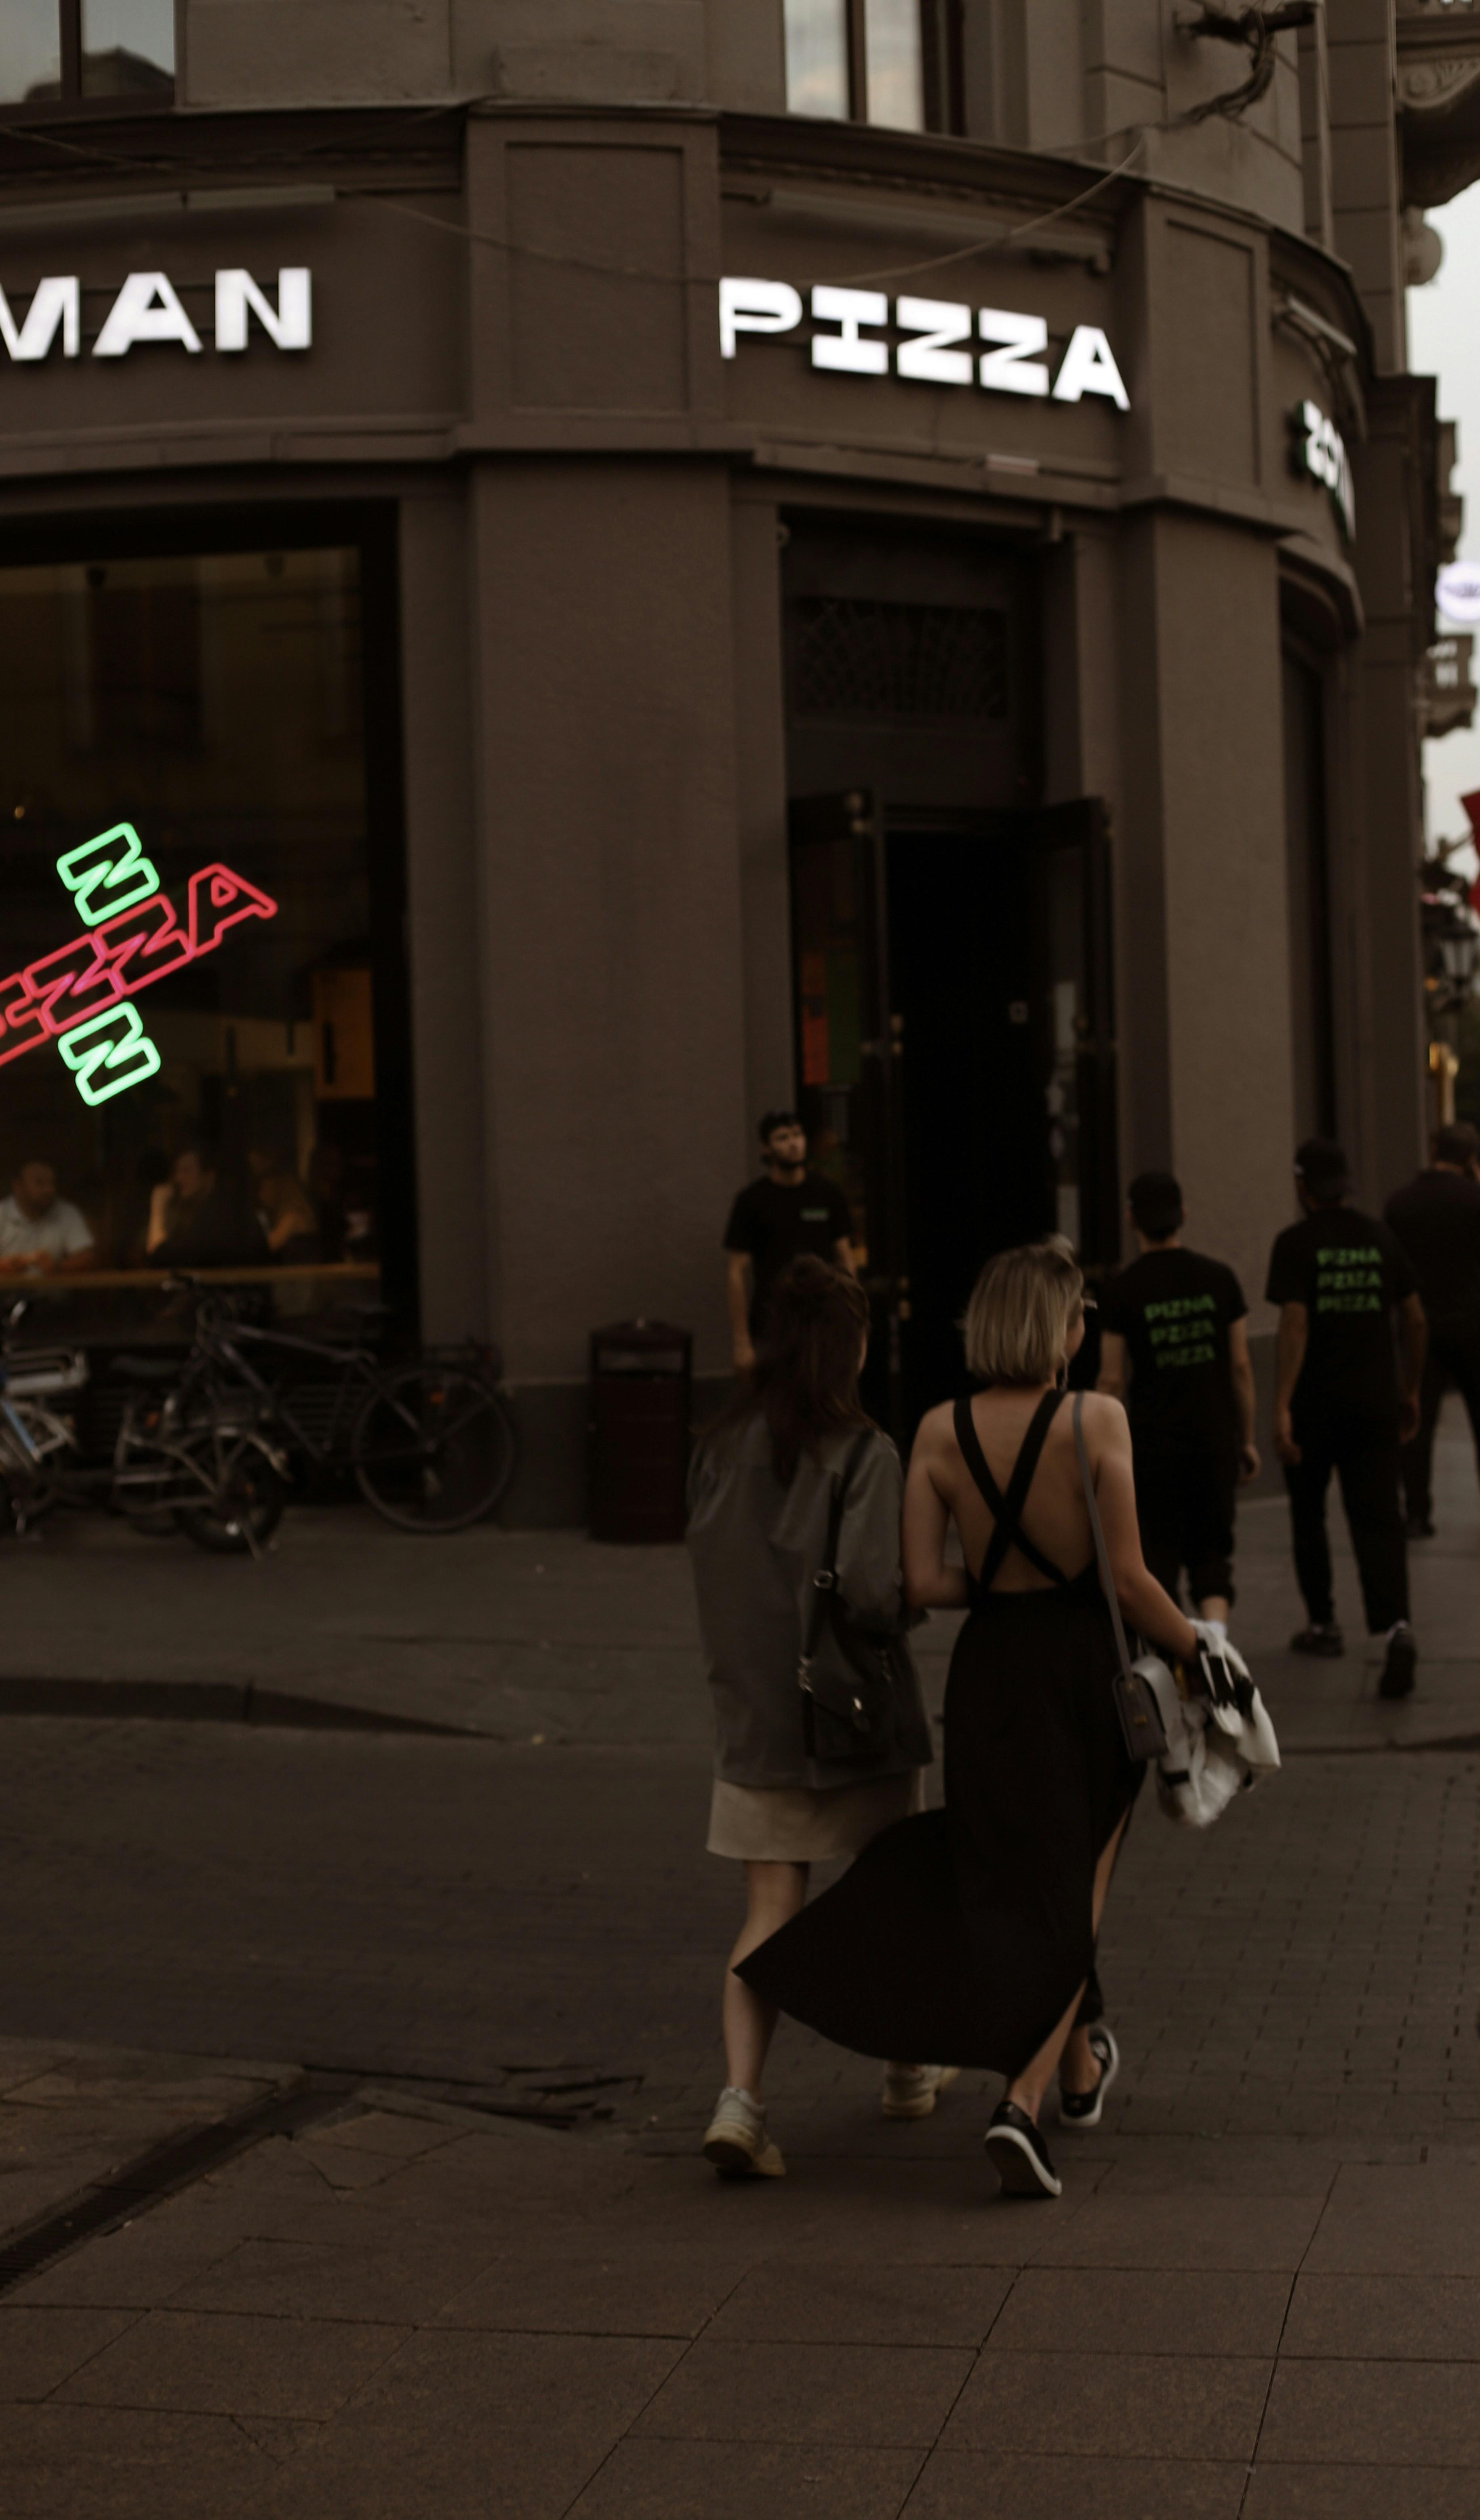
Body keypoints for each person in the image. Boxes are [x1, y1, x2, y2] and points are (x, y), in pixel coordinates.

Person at [739, 1239, 1202, 2201]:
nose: (1082, 1329)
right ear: (1059, 1328)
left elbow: (920, 1581)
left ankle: (1079, 2068)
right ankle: (1021, 2105)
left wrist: (997, 1579)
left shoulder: (939, 1430)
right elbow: (1127, 1579)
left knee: (1023, 1867)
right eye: (1077, 1315)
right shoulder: (1096, 1417)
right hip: (1081, 1667)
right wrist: (1201, 1653)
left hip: (988, 1670)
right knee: (1076, 1884)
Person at [686, 1257, 935, 2179]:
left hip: (754, 1720)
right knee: (890, 1895)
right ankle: (905, 2070)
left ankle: (741, 2101)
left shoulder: (717, 1446)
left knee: (768, 1910)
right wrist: (916, 1599)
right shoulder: (865, 1451)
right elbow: (871, 1592)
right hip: (852, 1719)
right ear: (848, 1347)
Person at [1266, 1137, 1425, 1699]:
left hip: (1314, 1408)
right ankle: (1396, 1626)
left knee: (1308, 1515)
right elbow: (1414, 1319)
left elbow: (1294, 1324)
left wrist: (1281, 1405)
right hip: (1373, 1406)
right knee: (1380, 1519)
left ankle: (1322, 1623)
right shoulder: (1380, 1237)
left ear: (1302, 1186)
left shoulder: (1294, 1243)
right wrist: (1409, 1390)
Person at [1097, 1171, 1259, 1636]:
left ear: (1132, 1220)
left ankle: (1170, 1652)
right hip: (1213, 1439)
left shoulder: (1124, 1289)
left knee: (1158, 1556)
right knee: (1212, 1553)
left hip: (1154, 1446)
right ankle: (1217, 1641)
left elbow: (1111, 1380)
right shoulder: (1220, 1279)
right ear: (1183, 1214)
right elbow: (1241, 1367)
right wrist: (1246, 1440)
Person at [1385, 1122, 1480, 1538]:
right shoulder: (1476, 1201)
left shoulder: (1401, 1203)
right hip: (1474, 1327)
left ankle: (1417, 1511)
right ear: (1470, 1159)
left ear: (1434, 1149)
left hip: (1419, 1328)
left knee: (1416, 1420)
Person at [724, 1111, 854, 1373]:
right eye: (782, 1138)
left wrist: (852, 1321)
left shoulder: (827, 1193)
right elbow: (736, 1272)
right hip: (772, 1324)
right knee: (775, 1395)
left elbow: (846, 1259)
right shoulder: (752, 1201)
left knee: (826, 1393)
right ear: (766, 1147)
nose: (794, 1143)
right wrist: (741, 1342)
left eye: (797, 1135)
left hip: (823, 1321)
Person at [145, 1144, 269, 1270]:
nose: (178, 1178)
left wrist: (158, 1207)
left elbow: (160, 1256)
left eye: (186, 1170)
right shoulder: (200, 1211)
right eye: (177, 1171)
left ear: (209, 1176)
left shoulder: (222, 1214)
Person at [0, 1160, 96, 1275]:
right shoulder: (2, 1212)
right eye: (39, 1183)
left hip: (51, 1287)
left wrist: (57, 1267)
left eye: (52, 1183)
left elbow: (88, 1258)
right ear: (18, 1186)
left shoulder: (67, 1212)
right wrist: (5, 1266)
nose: (49, 1190)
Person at [248, 1145, 322, 1265]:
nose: (260, 1195)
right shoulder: (284, 1216)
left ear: (279, 1191)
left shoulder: (292, 1217)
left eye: (265, 1189)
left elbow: (269, 1247)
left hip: (302, 1274)